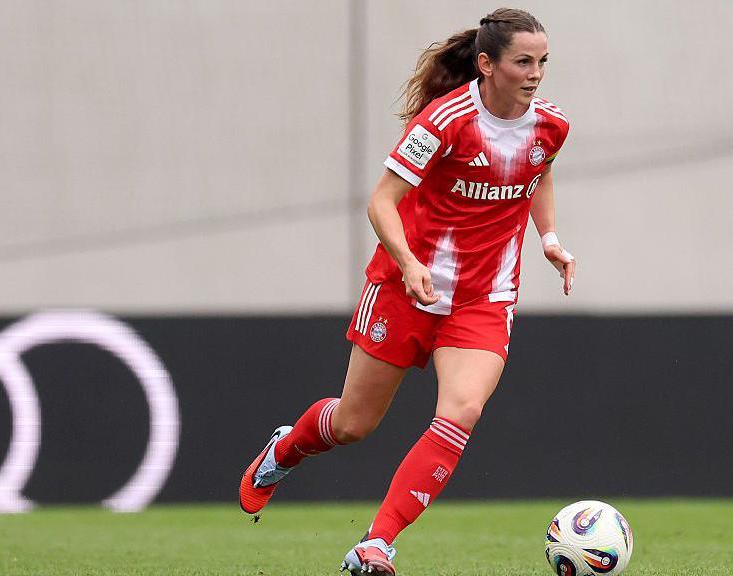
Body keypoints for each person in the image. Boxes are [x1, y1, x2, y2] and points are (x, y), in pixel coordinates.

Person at [238, 8, 573, 575]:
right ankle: (284, 449)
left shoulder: (552, 126)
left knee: (460, 412)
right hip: (404, 288)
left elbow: (538, 172)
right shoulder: (445, 120)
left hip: (483, 297)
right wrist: (409, 262)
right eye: (523, 62)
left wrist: (550, 238)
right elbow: (380, 201)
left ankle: (377, 544)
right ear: (487, 65)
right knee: (352, 424)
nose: (536, 73)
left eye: (543, 61)